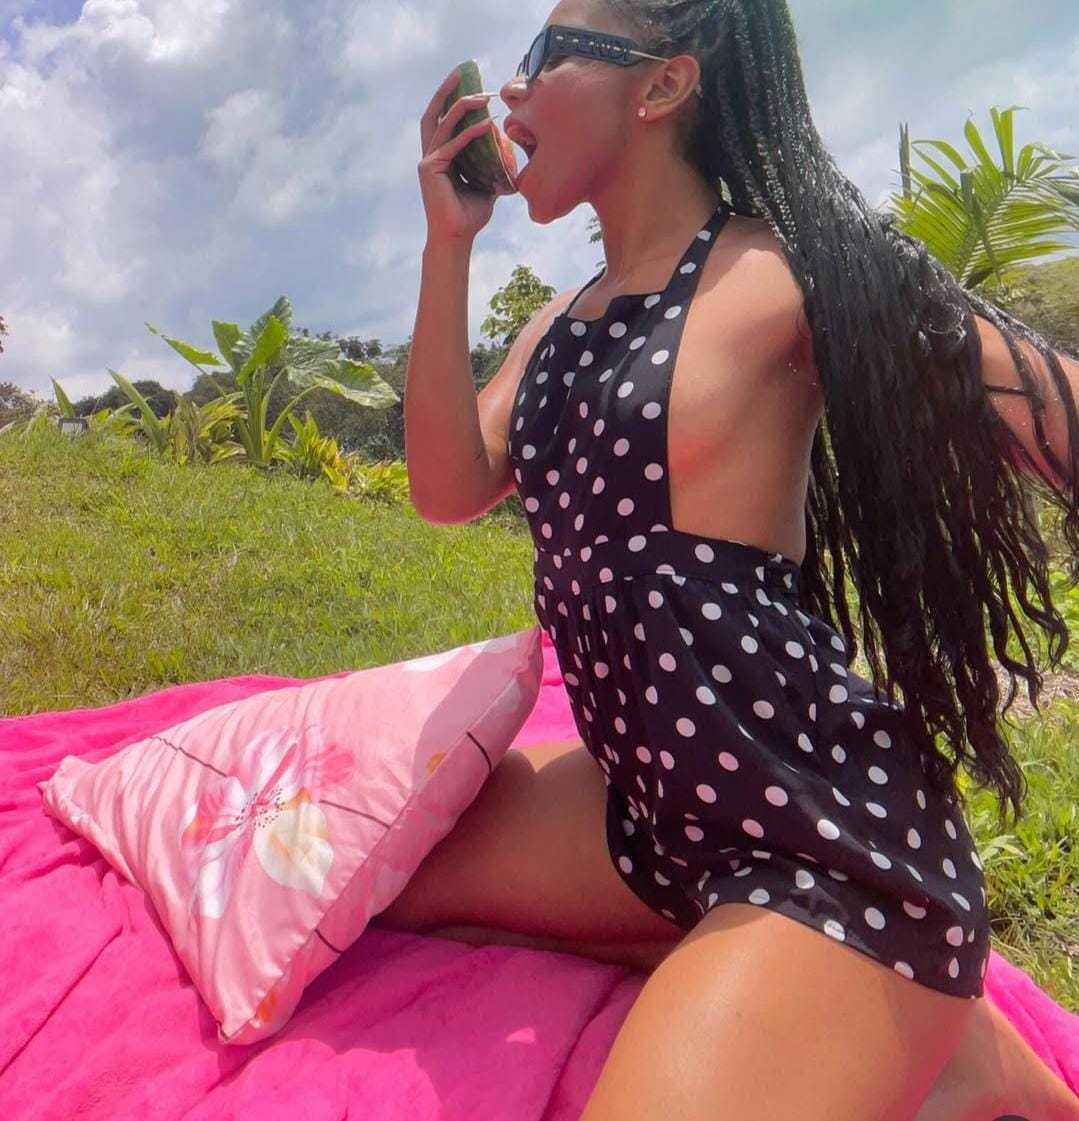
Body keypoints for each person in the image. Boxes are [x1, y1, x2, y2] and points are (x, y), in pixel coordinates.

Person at [398, 2, 1079, 1117]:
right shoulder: (553, 328)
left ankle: (894, 999)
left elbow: (1049, 406)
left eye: (547, 56)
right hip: (644, 805)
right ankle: (921, 1044)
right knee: (383, 879)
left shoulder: (779, 273)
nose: (511, 90)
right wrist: (448, 244)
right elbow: (445, 489)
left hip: (821, 832)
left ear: (660, 87)